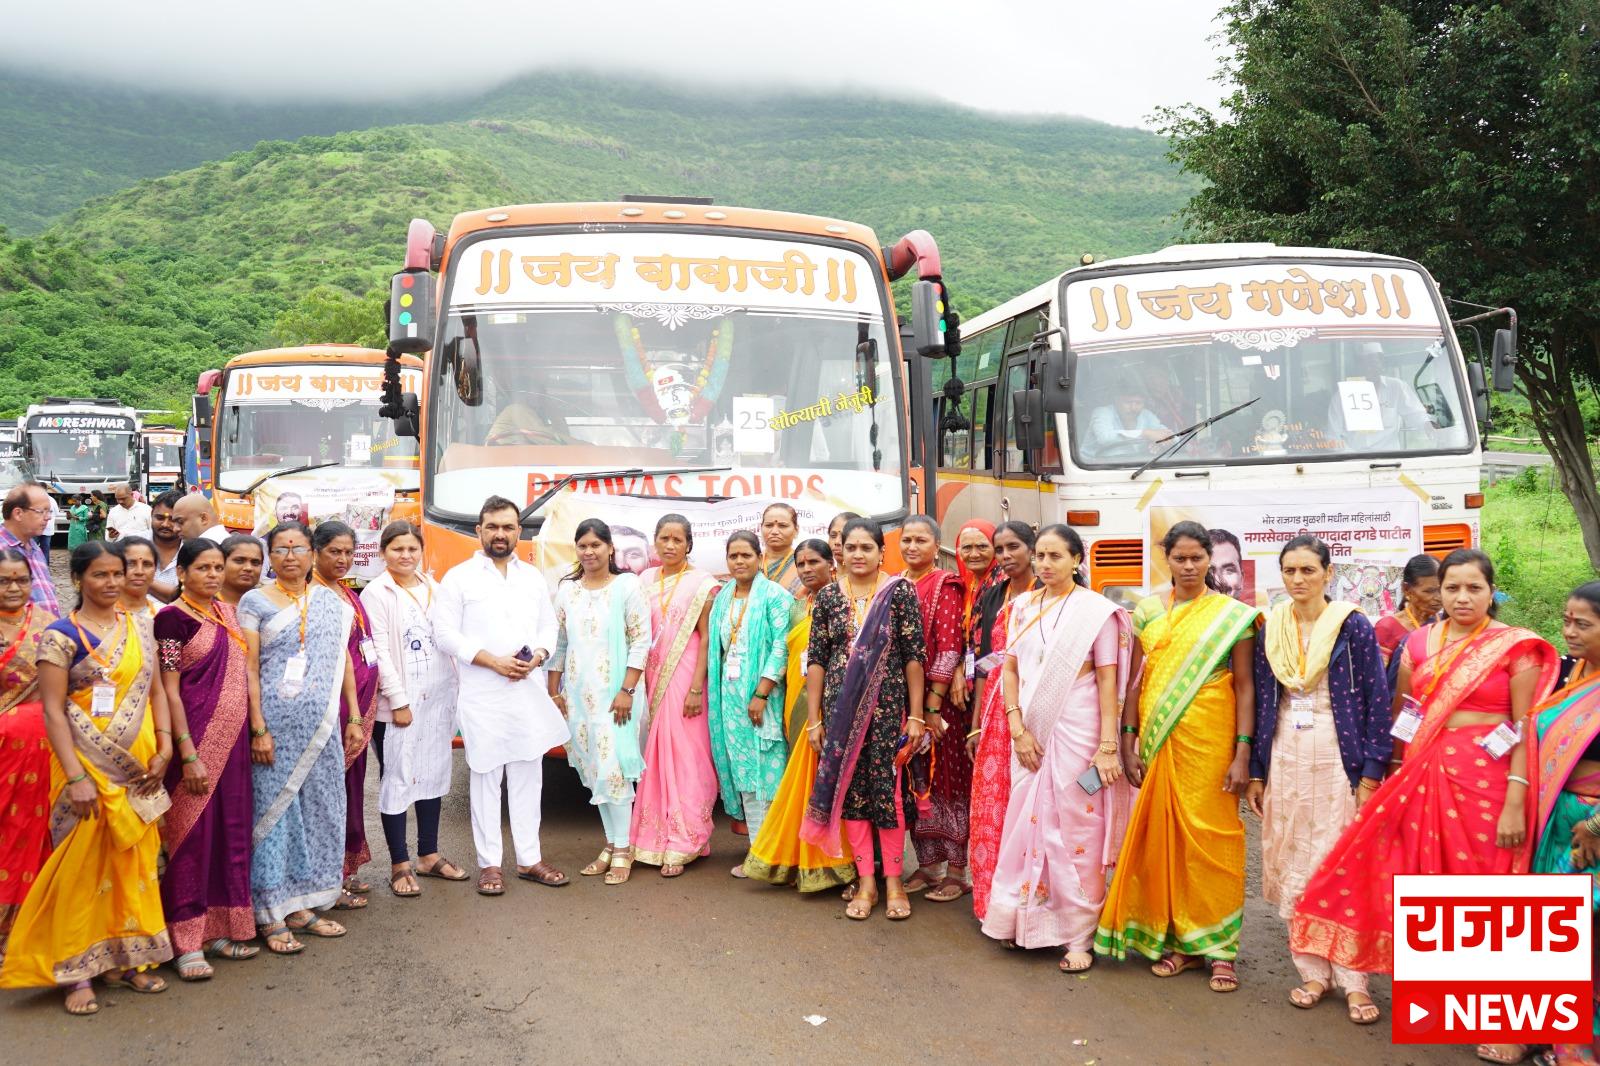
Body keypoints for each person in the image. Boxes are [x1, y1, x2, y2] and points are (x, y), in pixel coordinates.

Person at [1286, 550, 1557, 1025]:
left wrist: (1517, 799)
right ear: (1437, 592)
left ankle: (1505, 1008)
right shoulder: (1419, 642)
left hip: (1489, 783)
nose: (1462, 597)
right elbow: (1406, 716)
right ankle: (1443, 995)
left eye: (1474, 587)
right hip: (1421, 774)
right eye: (1452, 588)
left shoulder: (1515, 647)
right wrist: (1387, 775)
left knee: (1485, 884)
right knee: (1420, 879)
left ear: (1492, 591)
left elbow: (1524, 728)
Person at [0, 542, 174, 1014]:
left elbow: (156, 689)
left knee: (134, 864)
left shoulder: (140, 625)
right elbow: (53, 712)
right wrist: (76, 777)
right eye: (100, 574)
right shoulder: (59, 636)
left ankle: (128, 959)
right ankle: (76, 972)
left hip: (138, 764)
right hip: (83, 765)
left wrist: (166, 744)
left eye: (117, 573)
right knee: (80, 869)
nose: (112, 582)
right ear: (78, 579)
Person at [1095, 521, 1259, 992]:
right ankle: (1176, 941)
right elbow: (1136, 681)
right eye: (1180, 558)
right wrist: (1127, 739)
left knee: (1214, 839)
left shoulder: (1233, 616)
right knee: (1162, 839)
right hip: (1158, 739)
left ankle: (1220, 948)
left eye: (1197, 558)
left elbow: (1246, 687)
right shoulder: (1146, 612)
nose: (1189, 566)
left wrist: (1242, 753)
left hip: (1213, 741)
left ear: (1210, 559)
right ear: (1165, 558)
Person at [1242, 536, 1391, 1025]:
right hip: (1286, 752)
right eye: (1289, 571)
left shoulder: (1352, 626)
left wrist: (1371, 771)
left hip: (1337, 755)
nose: (1298, 580)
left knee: (1340, 862)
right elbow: (1267, 702)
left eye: (1308, 570)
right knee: (1293, 858)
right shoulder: (1274, 625)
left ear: (1328, 573)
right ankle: (1311, 971)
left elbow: (1376, 700)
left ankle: (1353, 979)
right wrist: (1258, 771)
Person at [982, 525, 1133, 971]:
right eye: (1041, 556)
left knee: (1077, 827)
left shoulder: (1097, 613)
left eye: (1056, 556)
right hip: (1028, 732)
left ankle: (1078, 937)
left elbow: (1108, 682)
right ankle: (1022, 921)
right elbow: (1009, 669)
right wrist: (1016, 726)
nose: (1046, 565)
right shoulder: (1022, 607)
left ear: (1076, 560)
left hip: (1081, 732)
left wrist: (1108, 747)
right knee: (1024, 821)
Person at [435, 497, 570, 896]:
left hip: (526, 691)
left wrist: (540, 657)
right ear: (478, 531)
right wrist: (492, 661)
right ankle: (490, 864)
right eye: (492, 526)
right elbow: (444, 633)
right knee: (486, 777)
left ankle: (530, 860)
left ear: (518, 531)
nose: (500, 534)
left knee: (530, 776)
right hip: (483, 694)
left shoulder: (531, 577)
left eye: (508, 527)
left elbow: (548, 627)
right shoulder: (458, 578)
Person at [239, 522, 360, 954]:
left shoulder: (331, 602)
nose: (290, 556)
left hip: (322, 726)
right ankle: (270, 912)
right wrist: (258, 728)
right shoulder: (254, 601)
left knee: (317, 810)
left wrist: (355, 717)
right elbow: (249, 667)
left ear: (312, 554)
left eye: (299, 548)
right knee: (274, 816)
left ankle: (303, 903)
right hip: (274, 728)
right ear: (270, 555)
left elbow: (343, 660)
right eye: (281, 548)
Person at [801, 517, 927, 921]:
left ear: (880, 552)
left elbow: (913, 657)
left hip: (889, 712)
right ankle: (867, 882)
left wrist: (918, 716)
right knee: (852, 796)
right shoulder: (827, 599)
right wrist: (815, 719)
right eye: (851, 547)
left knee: (887, 796)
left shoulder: (899, 593)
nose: (857, 555)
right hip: (840, 717)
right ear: (842, 551)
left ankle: (894, 882)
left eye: (866, 548)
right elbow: (817, 660)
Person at [155, 539, 259, 981]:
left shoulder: (227, 614)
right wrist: (188, 752)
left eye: (218, 567)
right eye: (204, 568)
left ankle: (219, 929)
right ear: (182, 573)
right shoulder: (171, 620)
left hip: (233, 747)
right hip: (194, 747)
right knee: (190, 841)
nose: (214, 575)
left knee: (229, 835)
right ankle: (184, 941)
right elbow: (170, 689)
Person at [743, 538, 857, 889]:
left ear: (831, 564)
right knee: (803, 782)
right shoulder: (795, 606)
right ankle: (801, 858)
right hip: (797, 699)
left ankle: (845, 863)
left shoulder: (844, 601)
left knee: (834, 781)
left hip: (831, 701)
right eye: (801, 564)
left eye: (814, 563)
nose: (807, 569)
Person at [362, 521, 466, 898]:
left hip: (438, 698)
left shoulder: (433, 587)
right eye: (397, 549)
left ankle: (429, 854)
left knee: (434, 774)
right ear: (382, 552)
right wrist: (398, 701)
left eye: (411, 549)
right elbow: (381, 653)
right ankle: (400, 864)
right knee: (399, 779)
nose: (405, 555)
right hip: (401, 705)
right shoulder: (377, 593)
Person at [1523, 581, 1600, 1066]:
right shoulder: (1571, 676)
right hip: (1556, 825)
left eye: (1583, 625)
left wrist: (1595, 827)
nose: (1568, 631)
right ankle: (1562, 1041)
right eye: (1566, 621)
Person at [550, 518, 652, 885]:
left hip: (617, 696)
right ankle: (612, 843)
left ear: (610, 548)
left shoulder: (627, 586)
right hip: (578, 697)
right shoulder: (567, 592)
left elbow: (641, 640)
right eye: (583, 546)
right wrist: (553, 691)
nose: (589, 551)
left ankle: (624, 849)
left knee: (613, 768)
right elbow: (559, 644)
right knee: (595, 770)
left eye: (596, 544)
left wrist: (626, 690)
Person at [629, 515, 720, 877]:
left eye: (677, 539)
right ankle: (656, 837)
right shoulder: (643, 581)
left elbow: (707, 640)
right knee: (654, 757)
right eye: (663, 538)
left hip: (686, 680)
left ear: (688, 544)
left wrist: (698, 687)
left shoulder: (703, 584)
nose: (669, 545)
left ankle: (687, 839)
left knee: (687, 757)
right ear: (654, 542)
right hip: (650, 679)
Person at [709, 531, 793, 876]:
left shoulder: (776, 596)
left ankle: (775, 854)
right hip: (730, 698)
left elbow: (781, 646)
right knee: (745, 775)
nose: (739, 562)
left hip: (765, 696)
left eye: (746, 555)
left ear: (759, 558)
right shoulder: (724, 596)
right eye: (733, 556)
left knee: (769, 773)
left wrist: (760, 693)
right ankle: (758, 852)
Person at [967, 521, 1039, 919]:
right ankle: (994, 904)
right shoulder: (993, 594)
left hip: (1039, 703)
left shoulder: (1048, 596)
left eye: (1014, 547)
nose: (1006, 555)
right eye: (1001, 549)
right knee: (995, 802)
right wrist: (977, 722)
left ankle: (1031, 902)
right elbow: (983, 662)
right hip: (997, 707)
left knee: (1030, 802)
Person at [899, 515, 972, 902]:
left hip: (939, 706)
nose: (912, 547)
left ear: (937, 546)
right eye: (907, 539)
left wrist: (931, 707)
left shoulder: (945, 585)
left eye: (921, 540)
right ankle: (928, 867)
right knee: (917, 784)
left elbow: (948, 648)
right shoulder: (895, 584)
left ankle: (958, 872)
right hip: (904, 703)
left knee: (948, 782)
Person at [308, 521, 381, 907]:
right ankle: (324, 877)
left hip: (357, 708)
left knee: (350, 792)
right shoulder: (312, 594)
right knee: (326, 795)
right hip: (330, 710)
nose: (342, 559)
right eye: (334, 551)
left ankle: (343, 870)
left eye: (348, 552)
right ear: (315, 552)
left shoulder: (346, 592)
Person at [0, 549, 57, 959]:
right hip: (4, 750)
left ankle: (30, 925)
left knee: (38, 832)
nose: (15, 588)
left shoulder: (46, 624)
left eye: (22, 580)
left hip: (44, 749)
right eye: (5, 581)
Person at [1327, 341, 1433, 451]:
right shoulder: (1340, 397)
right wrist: (1353, 458)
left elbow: (1416, 413)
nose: (1368, 367)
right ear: (1357, 366)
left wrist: (1427, 424)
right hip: (1354, 461)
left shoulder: (1397, 387)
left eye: (1372, 362)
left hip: (1391, 461)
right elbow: (1332, 437)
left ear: (1381, 363)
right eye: (1363, 363)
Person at [1373, 553, 1442, 668]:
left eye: (1441, 590)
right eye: (1429, 591)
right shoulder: (1387, 628)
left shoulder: (1445, 622)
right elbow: (1378, 679)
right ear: (1407, 589)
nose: (1438, 598)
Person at [0, 485, 59, 615]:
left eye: (49, 511)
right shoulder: (2, 549)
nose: (48, 517)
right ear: (18, 513)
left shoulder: (34, 548)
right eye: (41, 511)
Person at [955, 519, 1002, 656]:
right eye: (967, 547)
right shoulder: (965, 581)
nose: (974, 554)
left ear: (995, 549)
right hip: (970, 664)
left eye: (982, 547)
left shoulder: (1003, 582)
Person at [1088, 383, 1168, 455]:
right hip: (1093, 467)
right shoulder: (1102, 412)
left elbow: (1171, 436)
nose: (1133, 408)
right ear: (1117, 401)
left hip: (1134, 466)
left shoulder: (1146, 415)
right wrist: (1145, 433)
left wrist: (1161, 442)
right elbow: (1104, 438)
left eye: (1138, 403)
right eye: (1128, 402)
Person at [111, 535, 163, 619]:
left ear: (155, 570)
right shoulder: (98, 614)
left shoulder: (164, 615)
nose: (139, 572)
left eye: (147, 564)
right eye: (130, 564)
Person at [759, 503, 805, 596]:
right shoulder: (751, 561)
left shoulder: (805, 563)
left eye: (782, 526)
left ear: (796, 530)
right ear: (761, 528)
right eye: (769, 525)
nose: (774, 531)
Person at [148, 490, 184, 602]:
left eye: (172, 520)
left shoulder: (195, 551)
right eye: (159, 518)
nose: (165, 524)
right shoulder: (132, 546)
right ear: (151, 514)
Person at [217, 534, 264, 606]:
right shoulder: (203, 602)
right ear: (221, 562)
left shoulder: (269, 605)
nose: (248, 568)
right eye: (239, 561)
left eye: (255, 563)